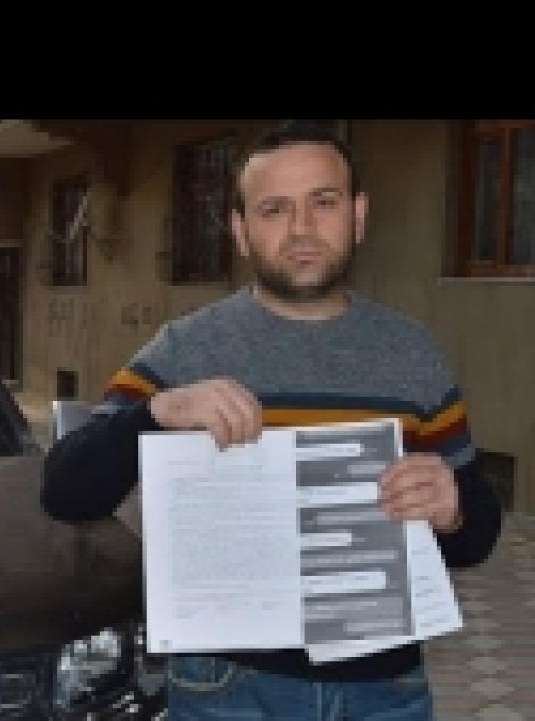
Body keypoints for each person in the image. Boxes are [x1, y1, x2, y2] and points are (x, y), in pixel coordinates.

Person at [41, 120, 502, 720]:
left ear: (359, 215)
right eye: (274, 209)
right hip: (226, 688)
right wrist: (156, 413)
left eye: (324, 202)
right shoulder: (185, 351)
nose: (301, 228)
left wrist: (454, 507)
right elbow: (64, 490)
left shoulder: (413, 356)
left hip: (385, 689)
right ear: (240, 231)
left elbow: (477, 535)